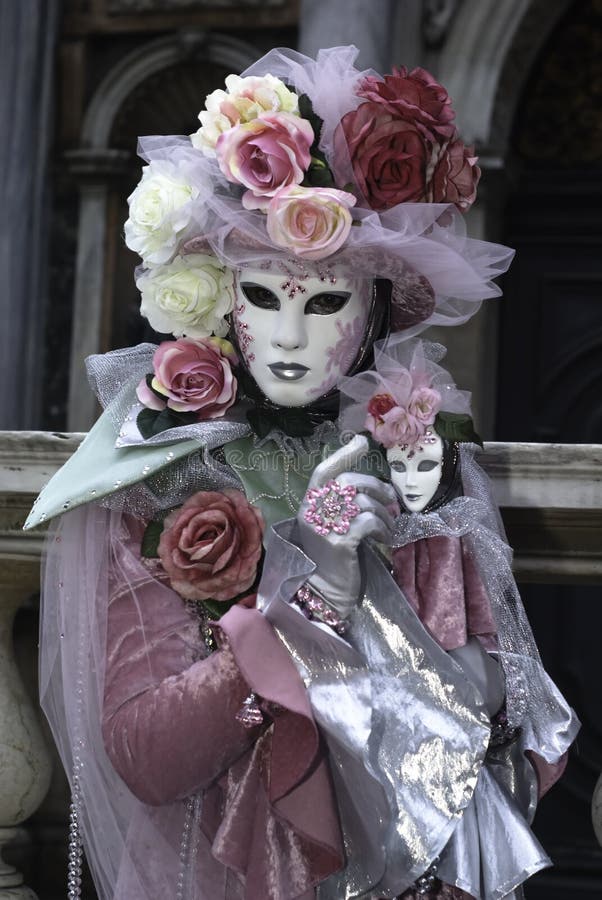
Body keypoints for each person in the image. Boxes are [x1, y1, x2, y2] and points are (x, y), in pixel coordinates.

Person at [25, 46, 528, 899]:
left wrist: (398, 647)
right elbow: (143, 754)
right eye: (264, 297)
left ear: (372, 317)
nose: (291, 339)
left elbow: (500, 695)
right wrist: (311, 605)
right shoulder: (163, 473)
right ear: (222, 300)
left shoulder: (416, 460)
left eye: (325, 302)